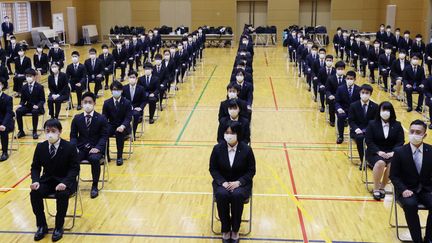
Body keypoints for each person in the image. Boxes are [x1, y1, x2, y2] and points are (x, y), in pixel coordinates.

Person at [30, 119, 79, 242]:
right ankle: (41, 225)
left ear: (60, 132)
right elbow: (35, 167)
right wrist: (35, 181)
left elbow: (74, 169)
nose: (50, 134)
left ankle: (58, 227)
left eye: (53, 131)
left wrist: (65, 183)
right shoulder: (40, 147)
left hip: (65, 181)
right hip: (47, 181)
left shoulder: (70, 147)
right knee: (34, 193)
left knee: (62, 195)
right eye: (47, 131)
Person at [209, 121, 256, 243]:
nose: (229, 135)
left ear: (238, 134)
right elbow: (213, 169)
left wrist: (239, 182)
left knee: (237, 195)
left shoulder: (247, 150)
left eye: (232, 132)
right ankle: (225, 228)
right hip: (222, 183)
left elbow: (251, 171)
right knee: (221, 194)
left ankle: (235, 229)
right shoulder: (217, 149)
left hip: (241, 184)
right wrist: (222, 182)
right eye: (227, 132)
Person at [390, 119, 432, 243]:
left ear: (424, 135)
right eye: (412, 131)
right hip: (406, 189)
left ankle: (429, 238)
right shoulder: (399, 151)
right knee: (410, 205)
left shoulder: (431, 151)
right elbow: (394, 176)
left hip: (426, 189)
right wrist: (403, 190)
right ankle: (417, 240)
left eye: (418, 132)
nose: (414, 134)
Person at [70, 92, 108, 198]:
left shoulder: (101, 118)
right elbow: (73, 136)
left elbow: (104, 136)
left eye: (89, 102)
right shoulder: (77, 118)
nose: (87, 104)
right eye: (85, 102)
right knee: (71, 158)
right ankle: (72, 184)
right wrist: (74, 148)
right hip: (81, 148)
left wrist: (97, 148)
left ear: (94, 103)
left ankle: (95, 185)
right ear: (82, 103)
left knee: (95, 160)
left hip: (95, 149)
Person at [366, 102, 404, 200]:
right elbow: (369, 141)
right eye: (384, 110)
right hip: (375, 152)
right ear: (379, 111)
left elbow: (400, 142)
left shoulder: (397, 125)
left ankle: (382, 187)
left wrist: (393, 152)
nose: (386, 112)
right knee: (380, 163)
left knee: (393, 165)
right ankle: (376, 188)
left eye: (388, 110)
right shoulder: (372, 124)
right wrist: (379, 152)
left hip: (391, 152)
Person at [102, 81, 132, 166]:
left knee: (119, 132)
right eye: (114, 89)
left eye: (118, 89)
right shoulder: (107, 103)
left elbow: (128, 117)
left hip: (124, 126)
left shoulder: (127, 102)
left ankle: (119, 156)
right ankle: (106, 154)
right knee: (104, 132)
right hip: (111, 125)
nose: (116, 91)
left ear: (121, 91)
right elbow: (104, 117)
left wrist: (122, 126)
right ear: (111, 91)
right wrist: (104, 127)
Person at [348, 84, 378, 165]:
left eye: (367, 93)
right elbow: (351, 121)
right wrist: (356, 129)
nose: (364, 94)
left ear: (370, 94)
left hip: (370, 130)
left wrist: (369, 130)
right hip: (357, 131)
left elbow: (376, 121)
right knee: (360, 138)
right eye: (363, 92)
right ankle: (363, 160)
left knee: (375, 139)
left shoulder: (375, 106)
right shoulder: (353, 105)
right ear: (360, 93)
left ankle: (370, 159)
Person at [16, 69, 45, 139]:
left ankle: (34, 131)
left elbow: (42, 100)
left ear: (34, 77)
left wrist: (38, 106)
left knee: (34, 111)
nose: (28, 78)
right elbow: (23, 100)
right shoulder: (24, 87)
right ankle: (21, 131)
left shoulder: (40, 87)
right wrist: (20, 104)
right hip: (28, 106)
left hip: (37, 107)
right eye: (27, 76)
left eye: (30, 76)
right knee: (18, 111)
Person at [335, 70, 361, 144]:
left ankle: (354, 134)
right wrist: (339, 108)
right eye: (348, 78)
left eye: (351, 79)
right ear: (345, 79)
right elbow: (337, 101)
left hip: (354, 111)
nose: (349, 80)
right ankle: (340, 136)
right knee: (340, 116)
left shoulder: (359, 89)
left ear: (354, 79)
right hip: (343, 110)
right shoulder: (340, 88)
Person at [122, 71, 145, 137]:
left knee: (135, 115)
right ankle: (125, 132)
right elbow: (122, 99)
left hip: (136, 109)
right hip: (126, 108)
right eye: (130, 77)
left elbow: (144, 100)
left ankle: (133, 133)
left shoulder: (141, 88)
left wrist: (140, 107)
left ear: (136, 78)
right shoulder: (124, 88)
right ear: (128, 78)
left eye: (133, 77)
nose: (132, 79)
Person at [325, 61, 346, 127]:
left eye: (342, 69)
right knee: (331, 101)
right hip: (333, 97)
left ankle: (345, 119)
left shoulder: (347, 79)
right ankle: (332, 119)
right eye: (338, 69)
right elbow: (327, 90)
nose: (340, 70)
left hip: (343, 97)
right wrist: (330, 95)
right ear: (336, 69)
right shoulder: (330, 78)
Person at [0, 80, 14, 161]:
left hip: (6, 122)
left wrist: (3, 124)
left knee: (3, 130)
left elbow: (9, 113)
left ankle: (4, 152)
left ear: (2, 86)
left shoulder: (8, 98)